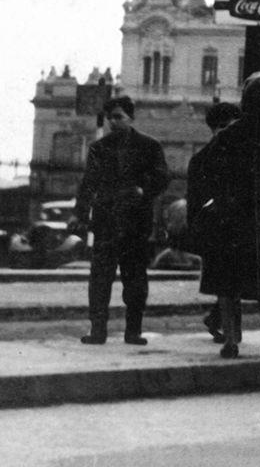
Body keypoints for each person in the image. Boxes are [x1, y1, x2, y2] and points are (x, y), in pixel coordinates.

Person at [193, 73, 260, 358]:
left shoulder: (228, 135)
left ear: (243, 99)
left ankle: (230, 341)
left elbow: (202, 170)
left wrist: (215, 201)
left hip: (229, 218)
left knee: (229, 282)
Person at [75, 95, 170, 346]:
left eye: (118, 117)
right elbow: (88, 184)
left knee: (135, 279)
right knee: (99, 279)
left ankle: (133, 331)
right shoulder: (99, 148)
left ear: (130, 118)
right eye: (110, 118)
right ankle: (97, 330)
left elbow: (162, 178)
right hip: (106, 222)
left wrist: (143, 189)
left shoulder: (149, 146)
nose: (113, 123)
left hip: (136, 223)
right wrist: (80, 215)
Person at [184, 100, 240, 342]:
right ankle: (229, 333)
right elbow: (195, 201)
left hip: (224, 227)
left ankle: (222, 324)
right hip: (219, 227)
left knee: (230, 283)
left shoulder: (203, 157)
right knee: (230, 283)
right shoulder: (206, 159)